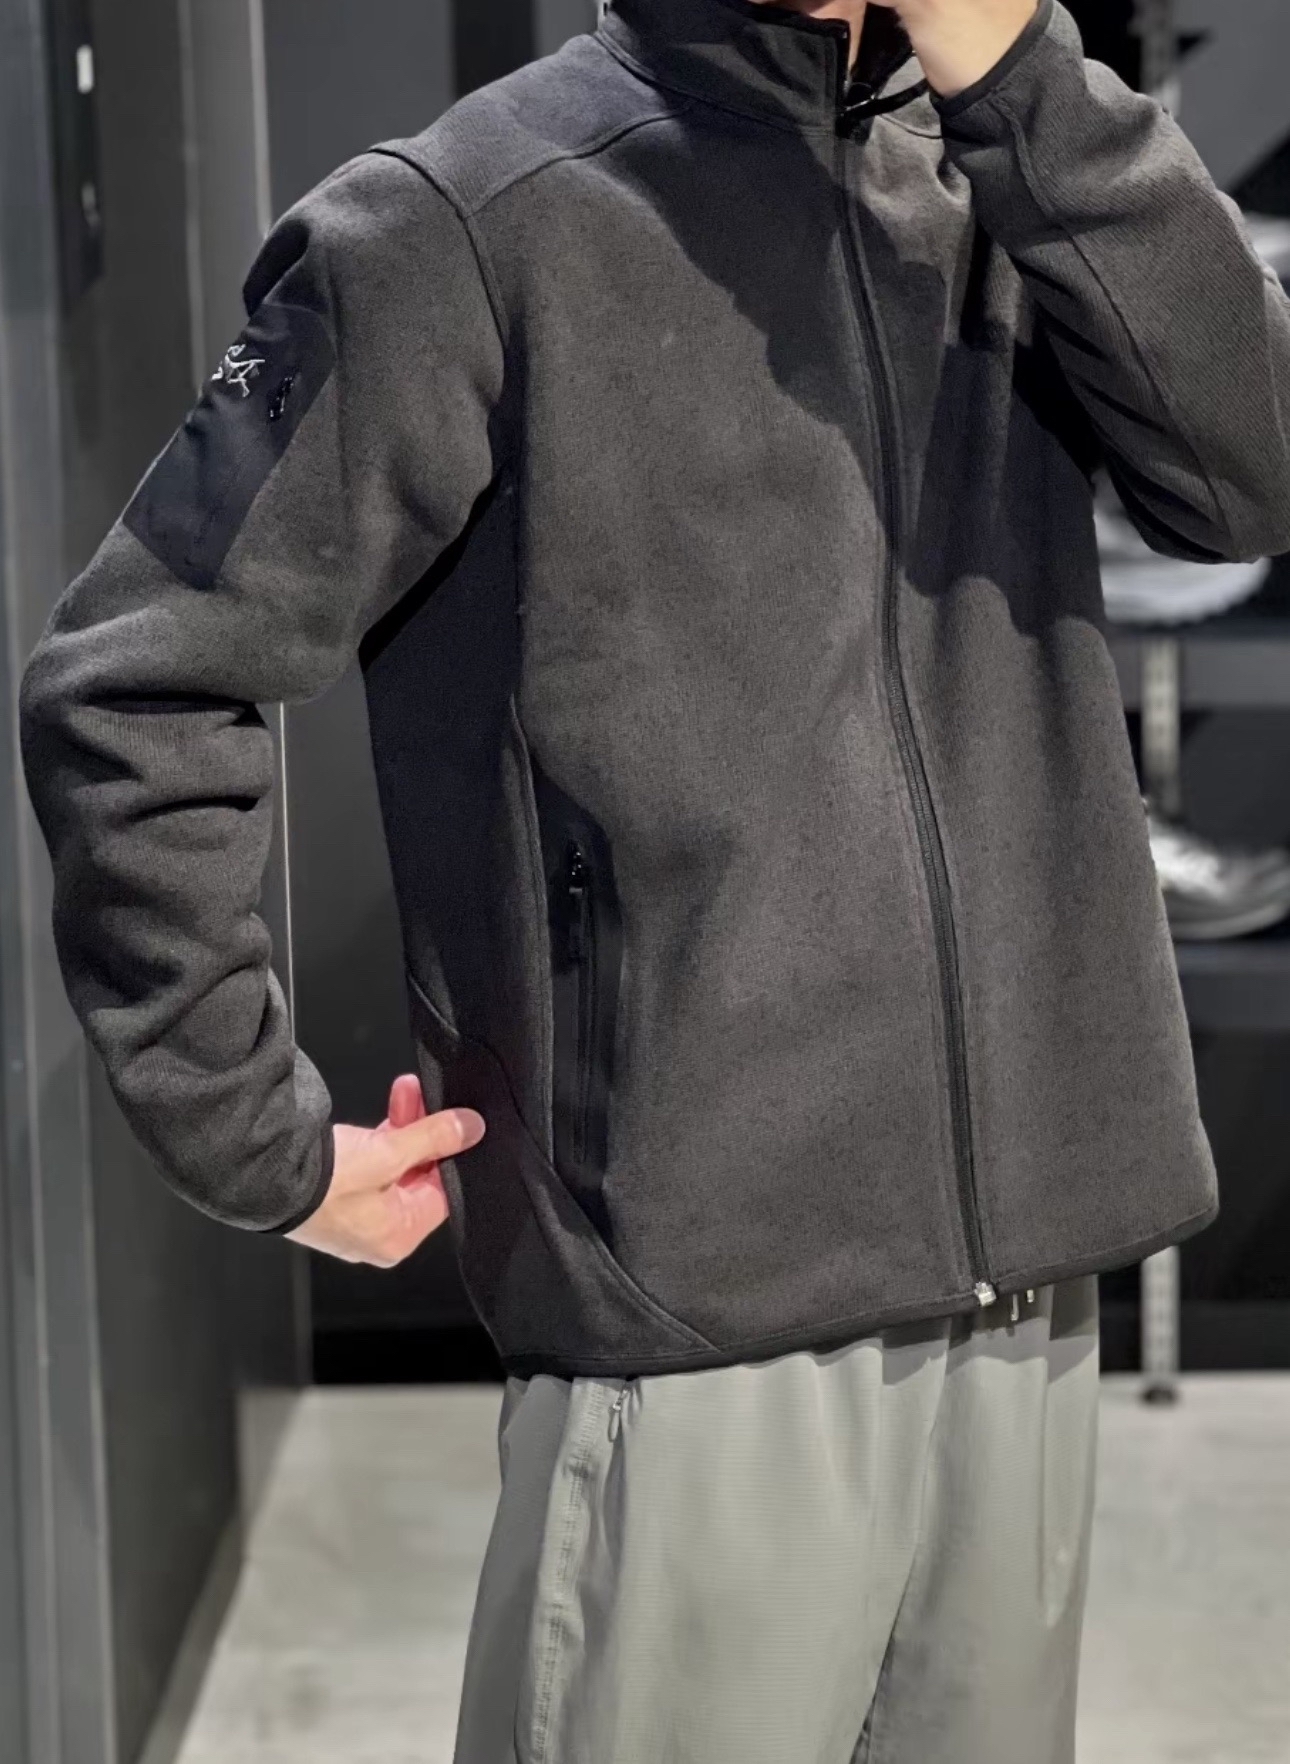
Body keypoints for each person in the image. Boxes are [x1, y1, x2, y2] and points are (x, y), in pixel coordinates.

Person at [19, 0, 1290, 1757]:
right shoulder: (468, 219)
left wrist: (1024, 82)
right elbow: (138, 680)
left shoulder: (1008, 171)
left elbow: (1248, 475)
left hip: (1026, 1315)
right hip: (698, 1334)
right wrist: (253, 1138)